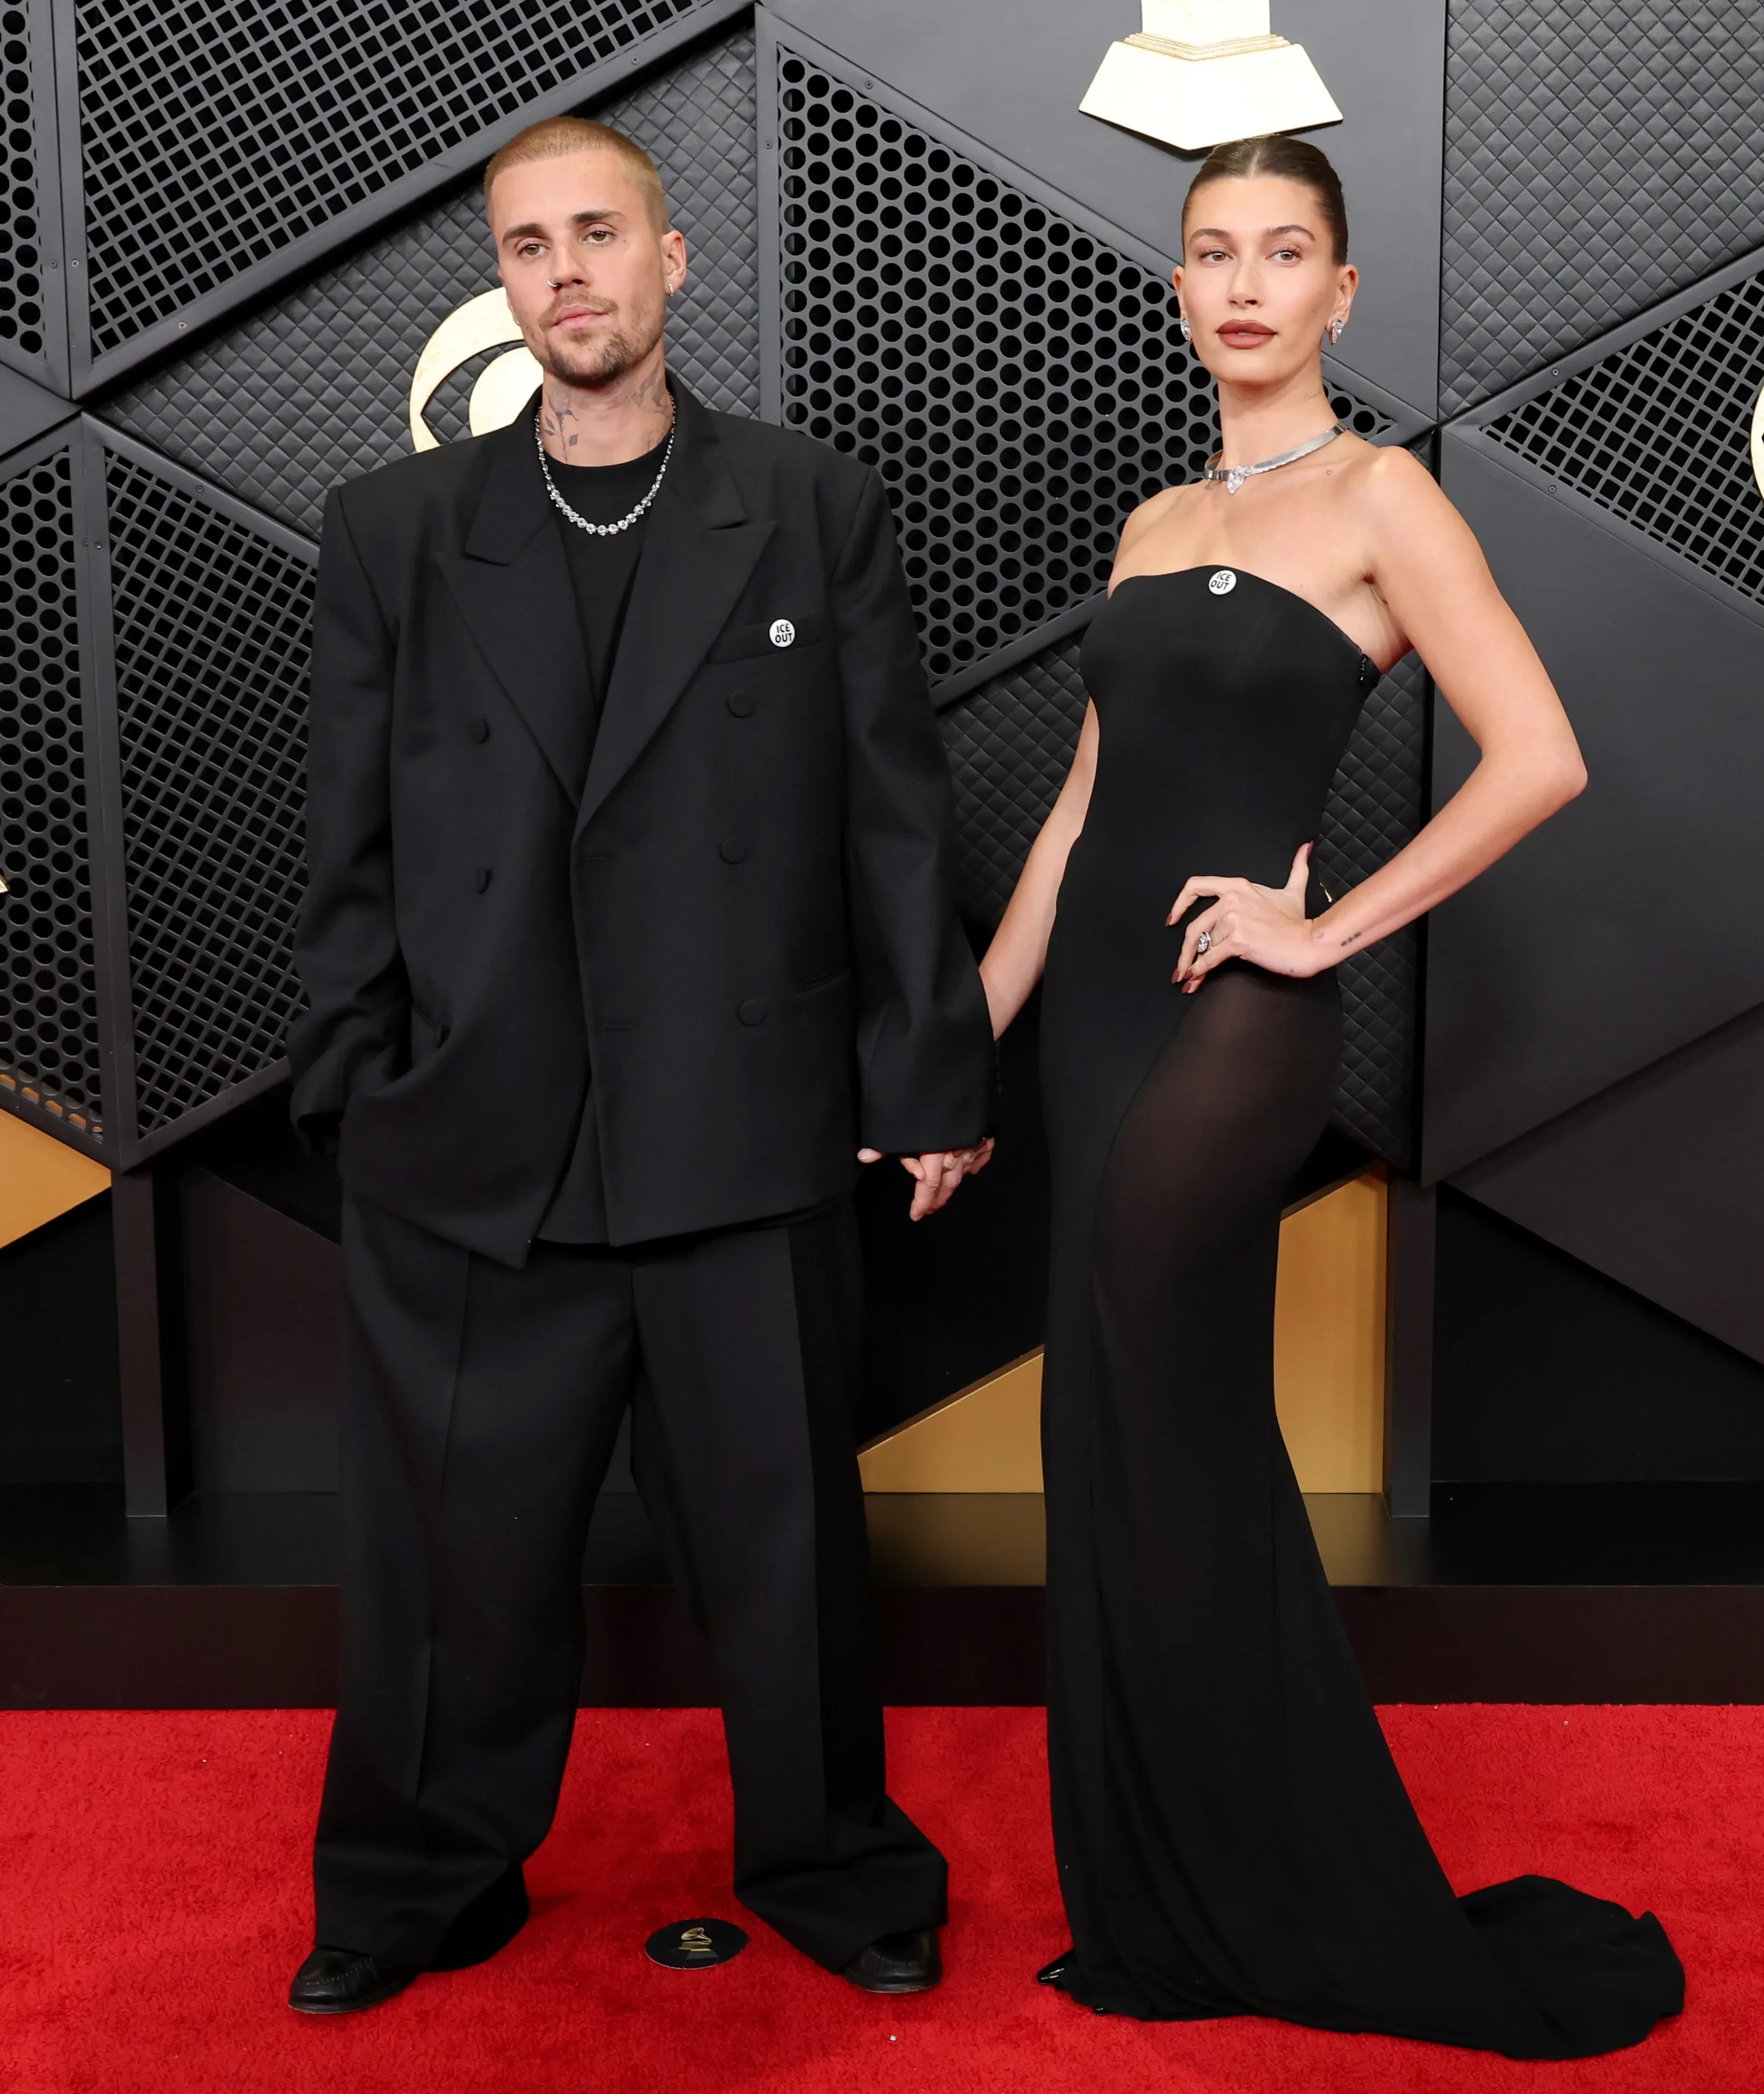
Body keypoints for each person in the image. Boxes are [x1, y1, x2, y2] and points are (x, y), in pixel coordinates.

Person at [978, 134, 1683, 2055]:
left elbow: (1538, 755)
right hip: (1091, 1011)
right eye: (1211, 251)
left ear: (1339, 291)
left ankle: (1268, 1888)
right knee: (1105, 1425)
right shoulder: (1149, 521)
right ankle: (1172, 1887)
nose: (1242, 284)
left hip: (1229, 1017)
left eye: (1282, 252)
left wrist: (1322, 930)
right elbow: (1077, 813)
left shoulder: (1383, 495)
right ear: (1180, 284)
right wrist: (964, 1036)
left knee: (1162, 1412)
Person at [284, 116, 994, 2014]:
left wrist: (927, 1072)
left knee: (786, 1548)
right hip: (475, 1140)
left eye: (599, 233)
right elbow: (346, 837)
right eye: (530, 246)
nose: (567, 273)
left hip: (738, 1124)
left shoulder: (810, 504)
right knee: (451, 1562)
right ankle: (414, 1884)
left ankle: (835, 1866)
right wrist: (358, 1080)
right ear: (503, 283)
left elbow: (892, 816)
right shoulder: (396, 530)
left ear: (672, 259)